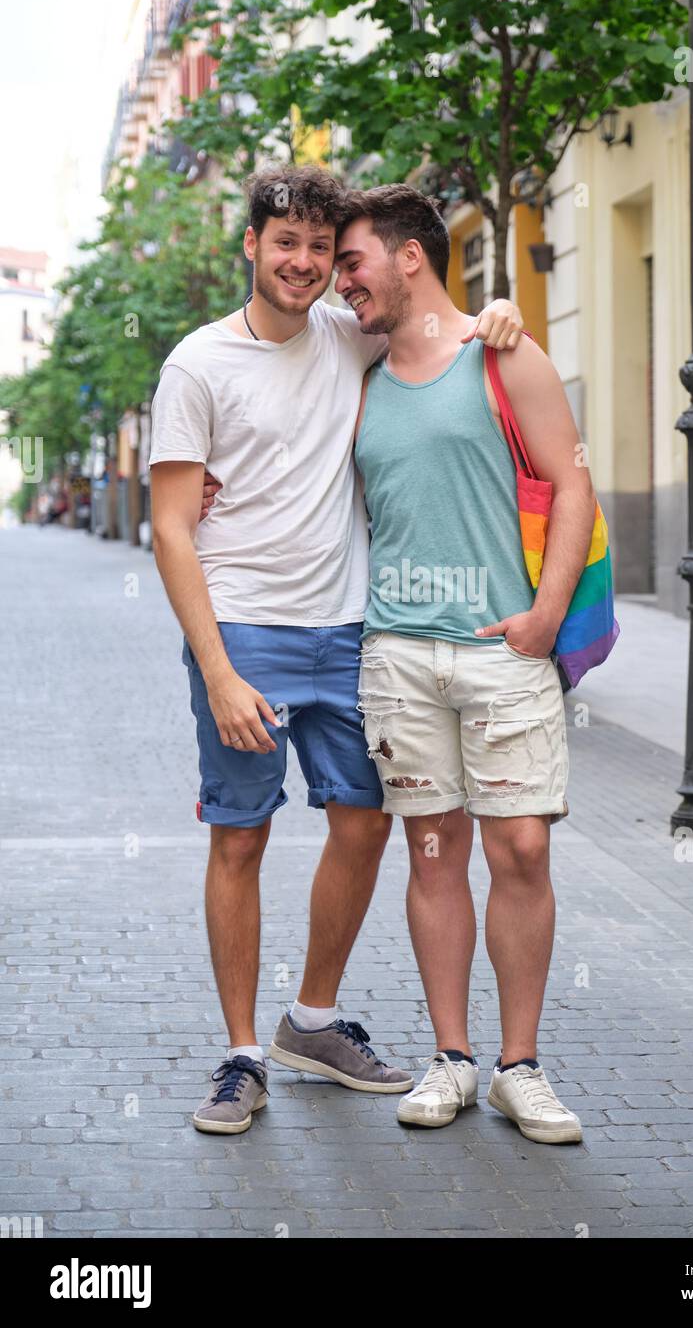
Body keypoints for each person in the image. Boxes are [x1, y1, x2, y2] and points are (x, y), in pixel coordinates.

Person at [149, 164, 523, 1134]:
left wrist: (498, 312)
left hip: (348, 628)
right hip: (244, 633)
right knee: (241, 836)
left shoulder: (347, 336)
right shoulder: (196, 365)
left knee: (364, 820)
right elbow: (171, 528)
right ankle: (240, 1056)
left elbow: (428, 324)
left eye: (321, 248)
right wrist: (221, 668)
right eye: (288, 244)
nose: (307, 264)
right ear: (251, 246)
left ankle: (310, 1018)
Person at [336, 184, 596, 1143]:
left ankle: (519, 1067)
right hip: (398, 655)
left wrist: (546, 615)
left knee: (521, 848)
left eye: (354, 260)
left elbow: (573, 480)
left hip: (501, 648)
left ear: (411, 256)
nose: (340, 280)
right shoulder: (351, 366)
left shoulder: (504, 354)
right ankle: (453, 1058)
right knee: (433, 851)